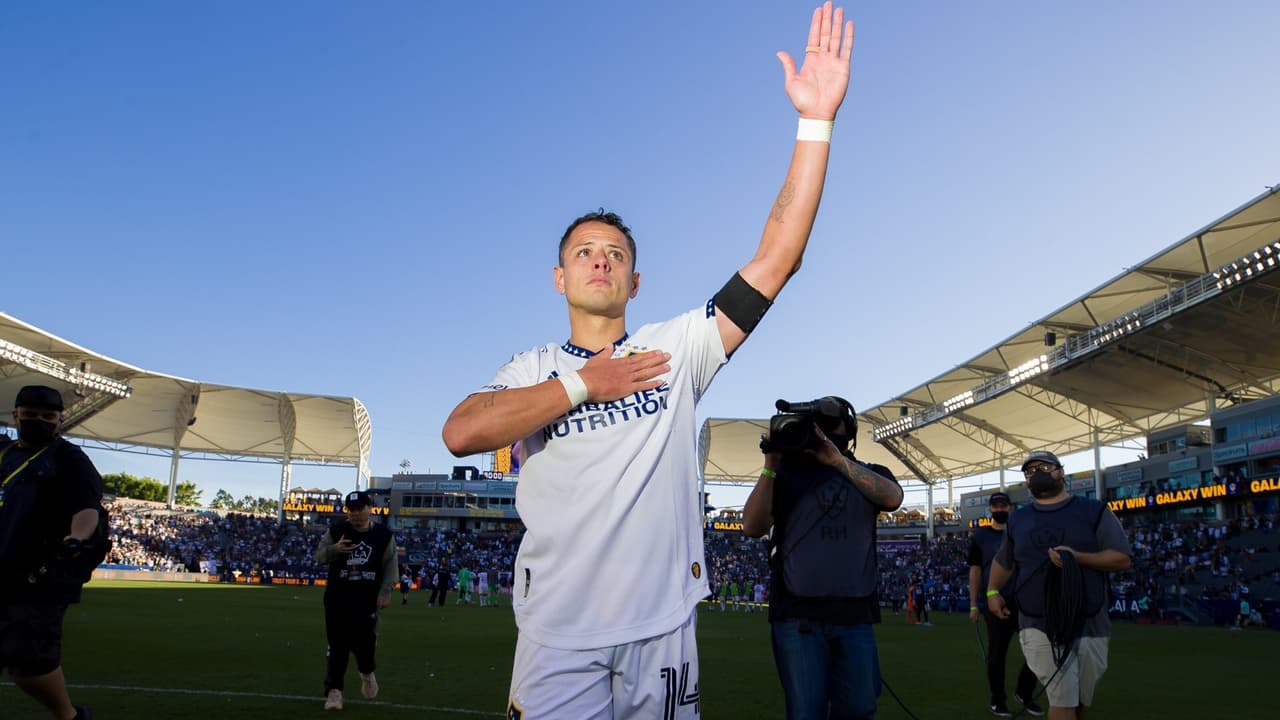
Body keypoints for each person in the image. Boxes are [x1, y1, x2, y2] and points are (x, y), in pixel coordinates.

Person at [441, 4, 856, 716]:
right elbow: (462, 432)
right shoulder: (530, 368)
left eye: (615, 254)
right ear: (560, 277)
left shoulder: (677, 347)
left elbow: (777, 259)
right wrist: (582, 383)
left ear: (635, 281)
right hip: (556, 632)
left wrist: (815, 122)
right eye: (584, 252)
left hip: (660, 628)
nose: (600, 260)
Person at [742, 396, 903, 720]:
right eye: (819, 423)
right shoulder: (785, 474)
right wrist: (771, 464)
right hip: (797, 614)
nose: (825, 430)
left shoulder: (870, 472)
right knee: (806, 713)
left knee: (859, 708)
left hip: (855, 613)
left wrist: (837, 462)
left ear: (850, 430)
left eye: (832, 422)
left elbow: (893, 498)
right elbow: (752, 526)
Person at [988, 451, 1133, 720]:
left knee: (1078, 701)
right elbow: (1003, 561)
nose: (1037, 474)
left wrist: (1077, 558)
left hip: (1089, 620)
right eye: (1030, 471)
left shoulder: (1094, 511)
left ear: (1061, 472)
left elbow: (1122, 558)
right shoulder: (1018, 519)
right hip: (1036, 621)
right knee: (1062, 699)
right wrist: (992, 591)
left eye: (1044, 467)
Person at [0, 385, 105, 720]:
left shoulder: (70, 459)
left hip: (40, 573)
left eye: (48, 416)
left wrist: (76, 538)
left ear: (61, 420)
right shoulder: (4, 453)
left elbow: (87, 508)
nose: (39, 421)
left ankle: (69, 716)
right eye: (30, 415)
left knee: (29, 660)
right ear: (15, 416)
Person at [314, 490, 397, 711]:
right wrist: (335, 549)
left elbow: (390, 564)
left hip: (367, 598)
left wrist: (386, 591)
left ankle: (367, 672)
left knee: (365, 645)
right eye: (351, 510)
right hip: (338, 597)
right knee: (337, 646)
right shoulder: (336, 531)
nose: (355, 514)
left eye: (359, 509)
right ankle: (334, 692)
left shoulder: (383, 536)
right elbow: (319, 556)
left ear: (370, 509)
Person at [968, 492, 1042, 717]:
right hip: (994, 602)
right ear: (990, 509)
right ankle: (997, 701)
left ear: (1011, 507)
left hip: (1024, 601)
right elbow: (975, 571)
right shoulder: (981, 536)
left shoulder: (1021, 532)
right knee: (997, 656)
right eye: (996, 506)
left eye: (1003, 505)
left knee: (1039, 649)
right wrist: (973, 605)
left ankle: (1024, 692)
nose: (999, 509)